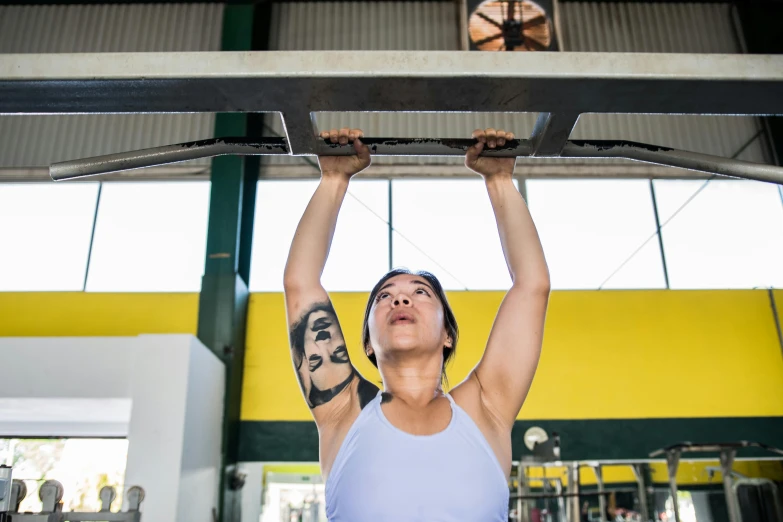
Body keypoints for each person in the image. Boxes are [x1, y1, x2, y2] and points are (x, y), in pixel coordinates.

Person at [283, 126, 550, 521]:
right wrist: (334, 179)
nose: (401, 298)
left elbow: (533, 286)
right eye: (384, 297)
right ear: (368, 343)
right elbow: (300, 283)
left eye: (420, 293)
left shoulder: (486, 406)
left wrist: (500, 180)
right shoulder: (342, 409)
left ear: (447, 334)